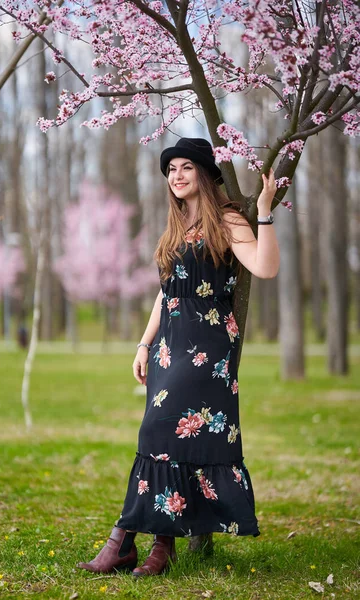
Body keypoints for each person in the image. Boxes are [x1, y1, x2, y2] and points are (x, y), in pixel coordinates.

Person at [77, 137, 280, 577]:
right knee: (166, 442)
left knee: (158, 432)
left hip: (207, 349)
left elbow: (265, 267)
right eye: (171, 170)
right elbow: (166, 293)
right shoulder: (177, 227)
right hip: (170, 346)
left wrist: (263, 210)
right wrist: (144, 344)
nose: (177, 176)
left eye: (187, 167)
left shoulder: (226, 220)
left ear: (206, 174)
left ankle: (123, 539)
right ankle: (159, 547)